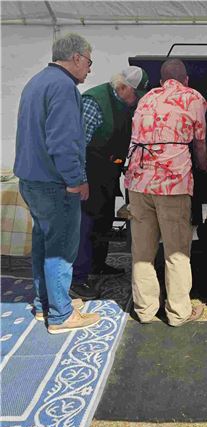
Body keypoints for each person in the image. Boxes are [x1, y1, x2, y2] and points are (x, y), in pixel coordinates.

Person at [14, 33, 100, 334]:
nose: (89, 68)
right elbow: (64, 142)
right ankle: (61, 314)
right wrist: (76, 180)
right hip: (55, 183)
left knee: (43, 244)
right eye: (89, 61)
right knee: (61, 249)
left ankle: (45, 304)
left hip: (31, 180)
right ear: (76, 57)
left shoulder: (36, 82)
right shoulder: (64, 87)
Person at [124, 59, 207, 327]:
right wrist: (204, 166)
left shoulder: (146, 98)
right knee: (176, 250)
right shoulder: (193, 97)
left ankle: (145, 310)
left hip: (138, 182)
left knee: (142, 250)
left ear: (160, 82)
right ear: (186, 80)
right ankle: (178, 312)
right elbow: (200, 142)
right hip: (172, 183)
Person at [70, 65, 150, 300]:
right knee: (85, 224)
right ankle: (77, 279)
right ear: (123, 87)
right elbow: (77, 147)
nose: (138, 100)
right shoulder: (94, 102)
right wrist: (81, 181)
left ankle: (97, 265)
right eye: (136, 94)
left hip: (108, 171)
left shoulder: (125, 104)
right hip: (90, 171)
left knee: (103, 221)